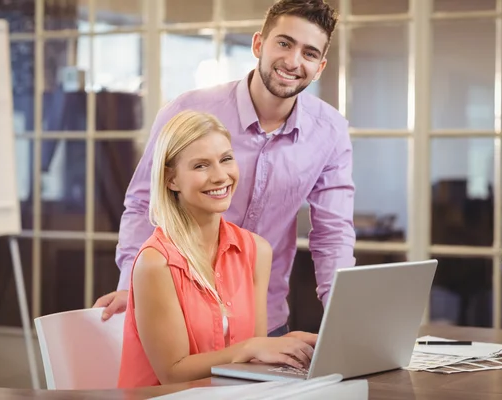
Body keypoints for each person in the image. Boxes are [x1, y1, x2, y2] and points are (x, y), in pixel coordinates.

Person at [95, 0, 356, 337]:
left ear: (319, 67)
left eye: (308, 53)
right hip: (180, 313)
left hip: (263, 317)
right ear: (258, 44)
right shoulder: (190, 109)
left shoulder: (330, 131)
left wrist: (345, 317)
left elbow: (333, 233)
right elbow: (145, 203)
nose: (292, 61)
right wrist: (133, 284)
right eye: (284, 43)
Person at [117, 110, 317, 388]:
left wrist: (282, 345)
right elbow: (172, 373)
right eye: (201, 166)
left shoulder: (257, 250)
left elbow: (251, 358)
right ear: (171, 180)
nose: (220, 176)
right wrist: (250, 348)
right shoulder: (155, 263)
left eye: (226, 159)